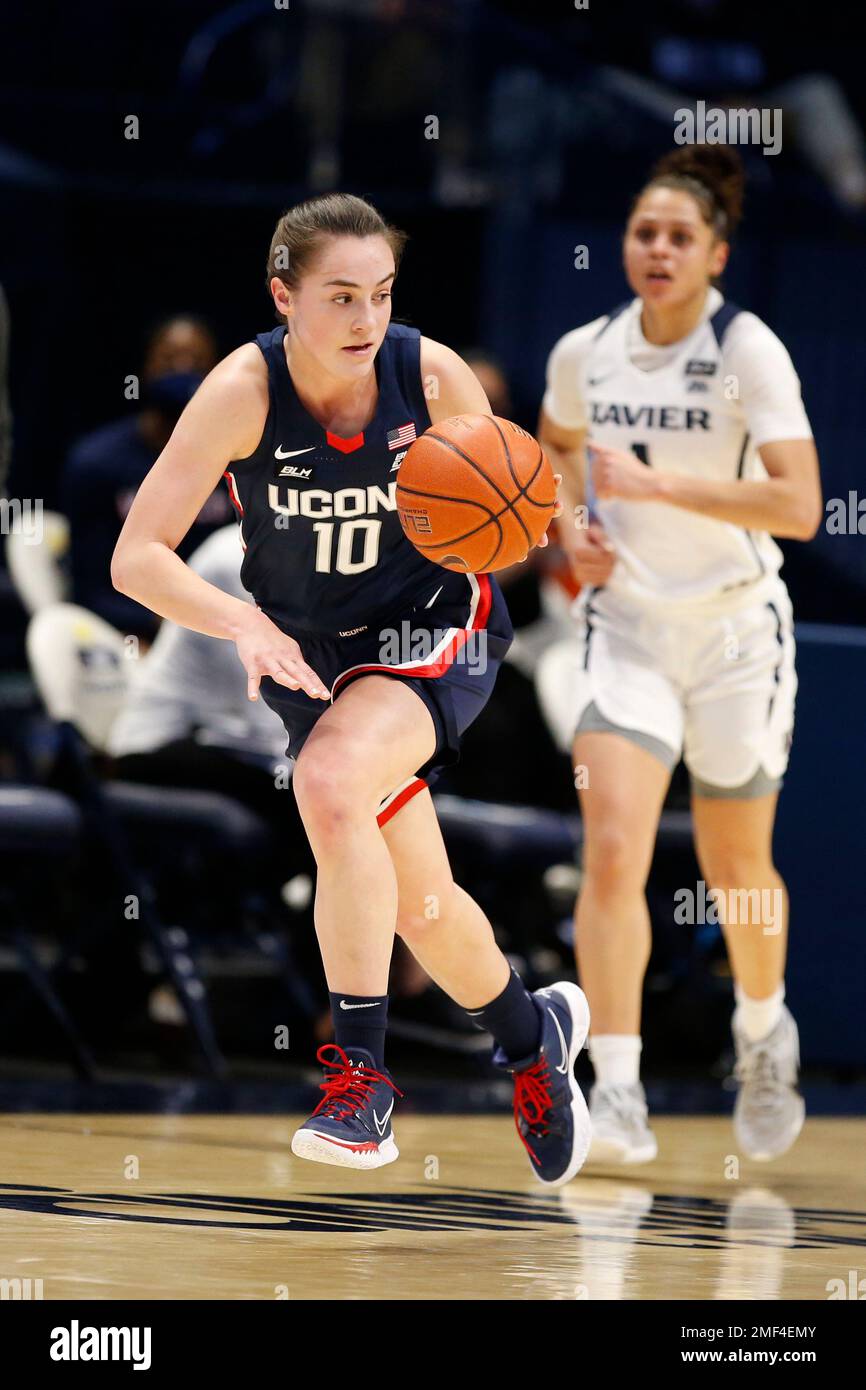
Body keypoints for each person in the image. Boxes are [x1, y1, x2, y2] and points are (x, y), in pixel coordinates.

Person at [112, 192, 591, 1183]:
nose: (365, 320)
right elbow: (135, 556)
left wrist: (495, 513)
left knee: (329, 782)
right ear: (282, 296)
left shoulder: (429, 374)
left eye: (379, 294)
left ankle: (360, 1081)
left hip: (427, 634)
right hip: (305, 652)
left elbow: (513, 513)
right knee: (418, 903)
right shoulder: (243, 389)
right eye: (339, 296)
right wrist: (239, 619)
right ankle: (528, 1035)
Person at [538, 145, 822, 1165]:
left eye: (676, 236)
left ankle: (759, 1031)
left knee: (733, 865)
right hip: (625, 629)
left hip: (737, 633)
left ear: (714, 254)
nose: (655, 249)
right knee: (610, 848)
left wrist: (660, 490)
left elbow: (797, 507)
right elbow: (556, 442)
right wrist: (574, 525)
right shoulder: (584, 349)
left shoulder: (749, 351)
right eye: (641, 232)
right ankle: (613, 1087)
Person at [63, 315, 227, 638]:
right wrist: (161, 624)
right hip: (133, 633)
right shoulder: (96, 463)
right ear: (147, 368)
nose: (182, 369)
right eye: (169, 360)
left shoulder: (238, 459)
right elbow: (88, 587)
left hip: (221, 630)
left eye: (195, 361)